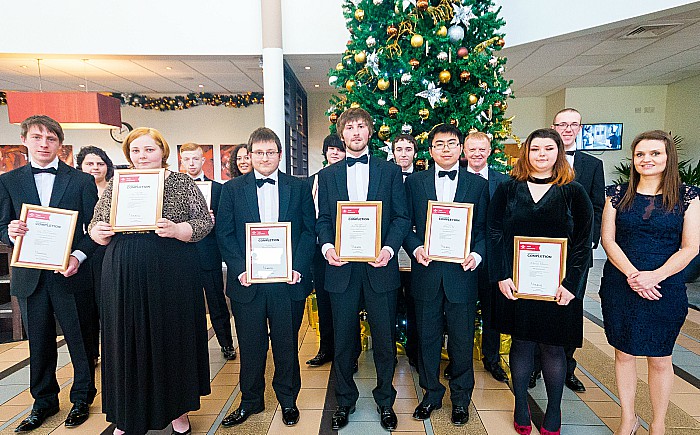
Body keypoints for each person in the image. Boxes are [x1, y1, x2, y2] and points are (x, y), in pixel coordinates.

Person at [89, 127, 212, 435]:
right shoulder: (118, 183)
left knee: (171, 336)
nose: (142, 156)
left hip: (172, 269)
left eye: (149, 150)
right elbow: (95, 222)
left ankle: (178, 412)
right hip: (123, 270)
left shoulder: (181, 182)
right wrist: (98, 233)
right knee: (125, 339)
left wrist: (178, 229)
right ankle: (127, 414)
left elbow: (204, 221)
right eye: (136, 151)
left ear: (163, 151)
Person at [488, 128, 593, 435]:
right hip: (517, 285)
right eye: (535, 149)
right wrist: (501, 275)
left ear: (558, 153)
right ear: (526, 153)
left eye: (549, 149)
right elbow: (494, 232)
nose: (542, 154)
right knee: (521, 343)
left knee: (553, 348)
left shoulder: (574, 192)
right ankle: (521, 405)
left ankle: (554, 409)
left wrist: (572, 285)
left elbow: (583, 243)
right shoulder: (508, 189)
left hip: (558, 288)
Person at [0, 115, 97, 431]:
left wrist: (78, 256)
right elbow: (2, 226)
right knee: (38, 343)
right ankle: (44, 402)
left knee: (80, 340)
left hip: (71, 274)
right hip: (30, 278)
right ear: (25, 140)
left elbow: (93, 229)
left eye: (51, 138)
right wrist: (12, 232)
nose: (44, 144)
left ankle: (82, 398)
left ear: (60, 143)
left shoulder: (81, 180)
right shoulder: (9, 181)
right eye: (37, 137)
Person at [316, 108, 410, 431]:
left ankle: (386, 401)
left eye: (361, 127)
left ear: (370, 132)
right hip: (341, 270)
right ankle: (344, 401)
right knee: (343, 341)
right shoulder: (327, 176)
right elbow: (323, 220)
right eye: (350, 128)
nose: (356, 132)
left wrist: (387, 249)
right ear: (342, 135)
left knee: (385, 340)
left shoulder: (390, 171)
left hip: (380, 267)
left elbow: (402, 218)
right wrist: (328, 248)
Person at [600, 130, 699, 435]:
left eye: (655, 153)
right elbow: (608, 239)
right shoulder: (616, 193)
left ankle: (658, 423)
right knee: (624, 353)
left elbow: (691, 246)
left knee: (660, 357)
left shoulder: (688, 196)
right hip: (621, 282)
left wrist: (654, 276)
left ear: (668, 157)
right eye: (640, 154)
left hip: (665, 286)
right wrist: (633, 275)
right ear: (633, 159)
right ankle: (628, 417)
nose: (647, 159)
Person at [217, 127, 315, 427]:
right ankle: (251, 401)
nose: (264, 157)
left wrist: (297, 266)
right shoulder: (232, 189)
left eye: (270, 152)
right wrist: (239, 269)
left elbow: (309, 231)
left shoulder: (298, 187)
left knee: (286, 346)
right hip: (248, 283)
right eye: (258, 153)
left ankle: (288, 401)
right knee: (250, 346)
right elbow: (225, 233)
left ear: (280, 155)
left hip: (287, 284)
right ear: (249, 155)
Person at [404, 124, 489, 426]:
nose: (445, 149)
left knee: (462, 341)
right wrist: (415, 248)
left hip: (462, 276)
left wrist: (477, 255)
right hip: (426, 272)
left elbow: (483, 230)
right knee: (427, 339)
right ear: (430, 150)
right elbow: (405, 223)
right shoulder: (415, 183)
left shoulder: (477, 185)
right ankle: (431, 394)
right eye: (439, 144)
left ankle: (461, 399)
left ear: (461, 148)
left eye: (451, 143)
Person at [530, 108, 605, 392]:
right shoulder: (538, 165)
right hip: (540, 253)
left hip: (576, 253)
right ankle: (537, 365)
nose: (568, 128)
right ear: (554, 126)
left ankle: (567, 368)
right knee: (538, 304)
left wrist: (589, 241)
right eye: (563, 124)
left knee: (570, 308)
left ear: (580, 128)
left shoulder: (592, 164)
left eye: (574, 124)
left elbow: (597, 206)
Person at [179, 142, 236, 361]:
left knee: (217, 302)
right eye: (187, 159)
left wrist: (212, 221)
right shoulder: (174, 190)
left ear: (203, 161)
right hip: (182, 254)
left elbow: (224, 224)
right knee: (186, 303)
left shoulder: (218, 188)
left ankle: (226, 343)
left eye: (196, 159)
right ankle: (190, 348)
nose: (191, 163)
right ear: (182, 161)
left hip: (209, 253)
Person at [463, 131, 510, 383]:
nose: (477, 154)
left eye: (482, 149)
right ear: (464, 151)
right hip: (461, 259)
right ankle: (461, 360)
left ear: (490, 151)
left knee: (492, 312)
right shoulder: (456, 179)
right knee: (464, 311)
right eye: (472, 149)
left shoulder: (504, 182)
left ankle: (491, 359)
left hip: (492, 260)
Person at [306, 134, 348, 368]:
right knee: (323, 301)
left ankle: (347, 352)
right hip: (320, 252)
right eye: (330, 149)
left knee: (345, 305)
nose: (334, 153)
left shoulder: (349, 179)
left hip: (347, 252)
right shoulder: (312, 180)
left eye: (339, 149)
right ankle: (326, 348)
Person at [76, 145, 115, 365]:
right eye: (89, 163)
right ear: (80, 166)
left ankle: (111, 351)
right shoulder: (76, 187)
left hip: (107, 253)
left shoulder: (116, 188)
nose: (95, 167)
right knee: (86, 307)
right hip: (82, 256)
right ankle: (92, 353)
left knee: (107, 305)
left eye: (100, 163)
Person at [392, 134, 419, 368]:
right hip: (389, 251)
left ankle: (414, 351)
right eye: (399, 149)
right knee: (390, 304)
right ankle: (388, 349)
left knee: (414, 302)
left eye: (408, 149)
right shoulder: (384, 177)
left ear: (415, 153)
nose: (403, 153)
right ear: (392, 153)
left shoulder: (420, 180)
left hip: (413, 249)